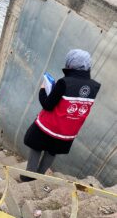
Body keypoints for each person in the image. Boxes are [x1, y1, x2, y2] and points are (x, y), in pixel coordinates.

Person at [20, 49, 101, 182]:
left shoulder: (64, 82)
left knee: (36, 146)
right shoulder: (94, 87)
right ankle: (39, 177)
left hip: (48, 127)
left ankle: (28, 176)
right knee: (52, 151)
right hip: (67, 131)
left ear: (71, 63)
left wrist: (42, 90)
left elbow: (48, 105)